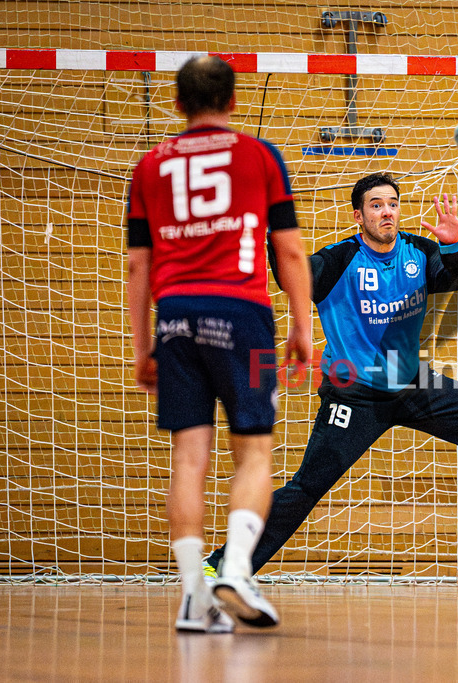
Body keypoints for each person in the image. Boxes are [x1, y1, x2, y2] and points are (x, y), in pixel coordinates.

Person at [204, 172, 458, 579]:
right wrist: (266, 230)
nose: (387, 212)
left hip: (411, 384)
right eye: (376, 205)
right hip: (354, 393)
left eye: (392, 204)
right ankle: (224, 564)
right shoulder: (339, 260)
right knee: (306, 487)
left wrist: (452, 242)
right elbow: (289, 275)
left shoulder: (416, 251)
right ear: (358, 215)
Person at [126, 56, 312, 632]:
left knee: (188, 456)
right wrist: (303, 325)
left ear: (178, 104)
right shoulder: (258, 155)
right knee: (253, 451)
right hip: (243, 313)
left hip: (176, 317)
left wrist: (142, 346)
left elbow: (138, 265)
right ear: (233, 102)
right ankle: (235, 566)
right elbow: (289, 251)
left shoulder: (150, 165)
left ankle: (192, 597)